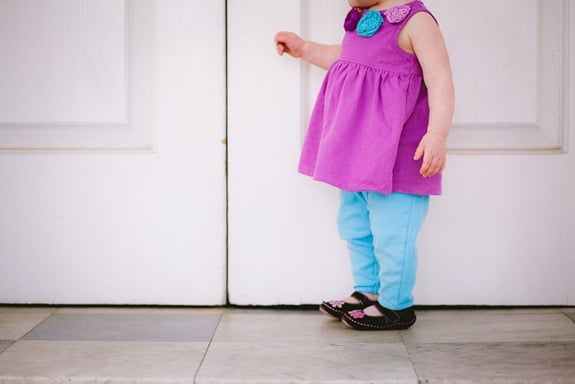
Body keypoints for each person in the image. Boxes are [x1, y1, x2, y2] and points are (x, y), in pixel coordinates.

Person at [274, 0, 454, 330]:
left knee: (392, 233)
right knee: (355, 225)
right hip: (360, 152)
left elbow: (440, 79)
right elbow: (341, 57)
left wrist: (437, 135)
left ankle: (396, 306)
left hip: (400, 155)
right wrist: (305, 49)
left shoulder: (417, 22)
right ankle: (368, 291)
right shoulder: (362, 19)